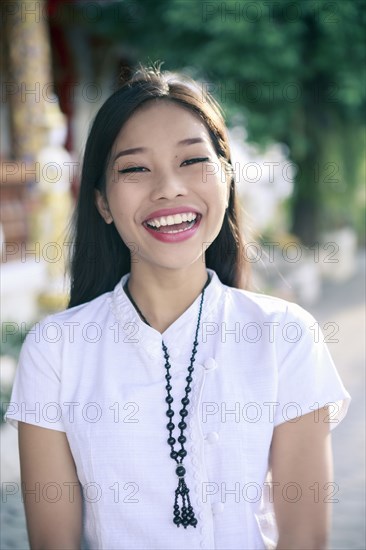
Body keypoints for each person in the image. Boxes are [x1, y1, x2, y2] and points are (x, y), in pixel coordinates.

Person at [5, 65, 350, 550]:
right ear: (102, 203)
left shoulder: (285, 335)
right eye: (135, 168)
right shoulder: (55, 350)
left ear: (227, 178)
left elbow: (305, 541)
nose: (168, 188)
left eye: (192, 162)